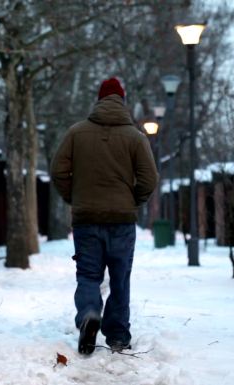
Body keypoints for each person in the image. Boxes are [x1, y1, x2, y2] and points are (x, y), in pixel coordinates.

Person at [50, 77, 158, 355]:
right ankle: (119, 335)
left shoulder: (76, 133)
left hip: (86, 219)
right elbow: (149, 178)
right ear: (122, 101)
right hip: (122, 220)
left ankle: (88, 312)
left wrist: (73, 197)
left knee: (88, 275)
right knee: (120, 278)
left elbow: (58, 171)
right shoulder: (135, 137)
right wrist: (134, 200)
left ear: (99, 100)